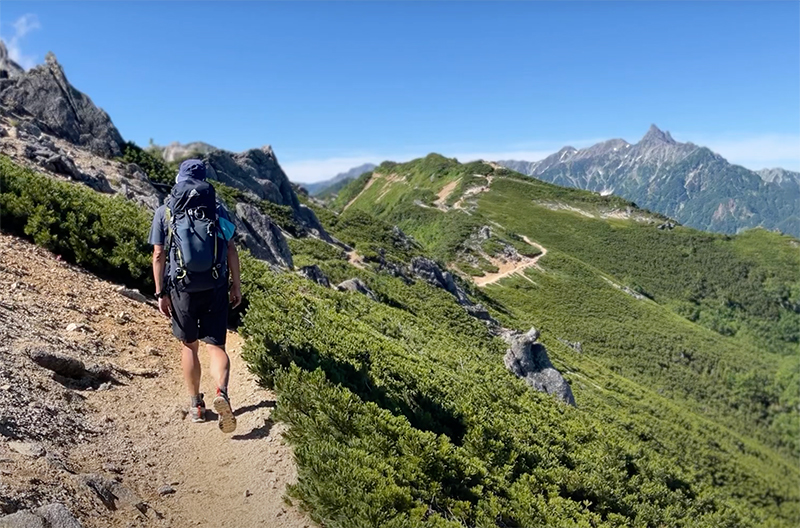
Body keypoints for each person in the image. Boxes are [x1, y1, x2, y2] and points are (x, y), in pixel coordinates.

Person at [149, 159, 242, 433]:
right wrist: (235, 285)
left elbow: (158, 255)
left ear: (179, 179)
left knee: (189, 345)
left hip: (181, 288)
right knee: (216, 346)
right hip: (214, 285)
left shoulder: (165, 212)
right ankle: (222, 394)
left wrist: (160, 292)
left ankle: (196, 406)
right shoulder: (217, 207)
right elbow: (231, 249)